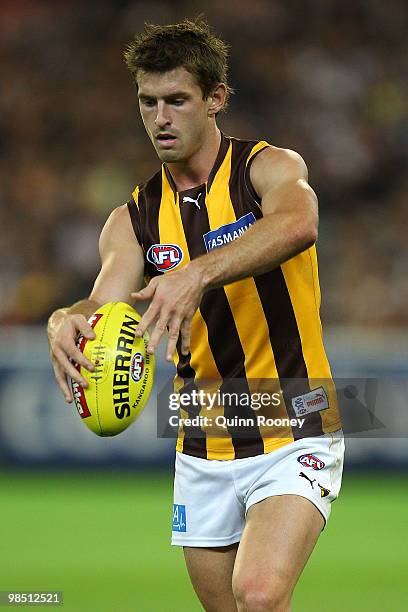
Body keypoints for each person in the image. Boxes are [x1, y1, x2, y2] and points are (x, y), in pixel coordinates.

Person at [48, 19, 344, 612]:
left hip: (296, 420)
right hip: (202, 439)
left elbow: (298, 223)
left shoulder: (265, 169)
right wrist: (63, 319)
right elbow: (102, 304)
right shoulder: (133, 218)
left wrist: (198, 271)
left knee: (258, 596)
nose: (160, 117)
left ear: (216, 99)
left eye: (177, 100)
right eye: (148, 102)